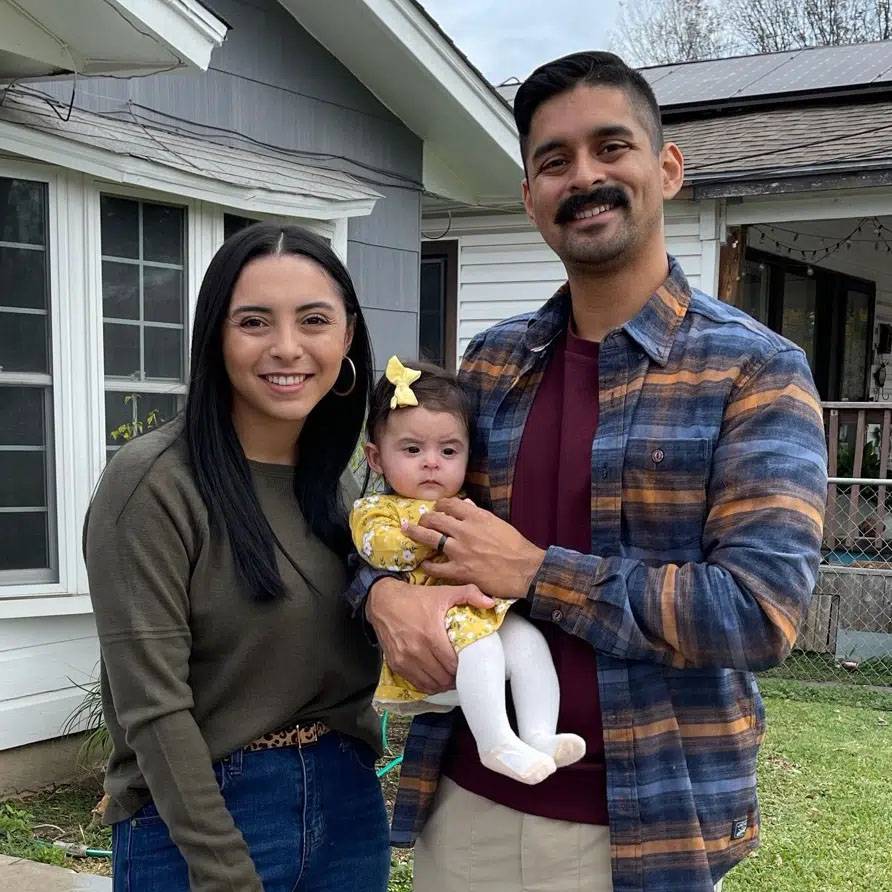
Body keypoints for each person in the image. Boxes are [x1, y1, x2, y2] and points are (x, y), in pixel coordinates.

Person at [348, 51, 828, 892]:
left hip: (648, 825)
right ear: (531, 194)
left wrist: (536, 573)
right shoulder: (490, 366)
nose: (586, 177)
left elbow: (761, 612)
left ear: (667, 168)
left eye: (612, 147)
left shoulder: (753, 369)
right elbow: (394, 521)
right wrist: (381, 594)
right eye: (554, 160)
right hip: (466, 803)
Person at [84, 223, 390, 892]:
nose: (286, 347)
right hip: (200, 818)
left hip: (347, 806)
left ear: (346, 338)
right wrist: (224, 871)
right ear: (216, 338)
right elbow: (154, 710)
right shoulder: (154, 484)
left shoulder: (348, 486)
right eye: (254, 321)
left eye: (314, 320)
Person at [350, 356, 585, 784]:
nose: (431, 462)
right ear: (376, 458)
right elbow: (379, 550)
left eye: (448, 450)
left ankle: (539, 734)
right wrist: (429, 537)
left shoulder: (466, 506)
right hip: (438, 621)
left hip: (483, 611)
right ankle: (494, 740)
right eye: (412, 449)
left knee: (530, 643)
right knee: (484, 649)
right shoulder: (375, 509)